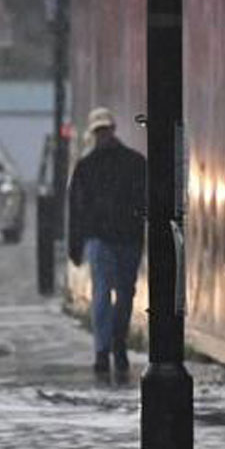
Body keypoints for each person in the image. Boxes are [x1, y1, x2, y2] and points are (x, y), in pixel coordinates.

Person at [67, 106, 147, 375]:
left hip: (109, 236)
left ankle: (108, 347)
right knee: (117, 292)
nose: (102, 135)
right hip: (121, 237)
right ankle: (112, 346)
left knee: (114, 293)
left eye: (104, 130)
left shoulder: (86, 167)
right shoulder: (134, 163)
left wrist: (75, 245)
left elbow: (77, 209)